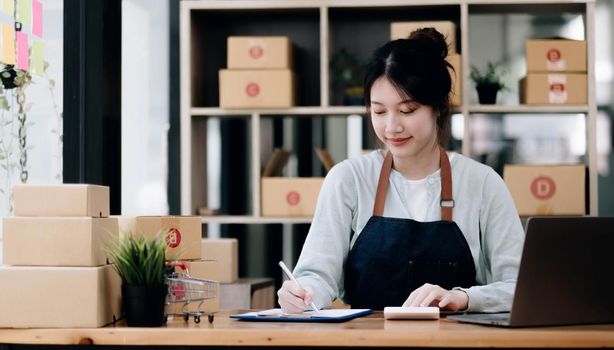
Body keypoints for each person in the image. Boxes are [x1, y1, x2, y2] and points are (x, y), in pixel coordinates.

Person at [277, 28, 525, 313]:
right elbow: (317, 275)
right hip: (365, 341)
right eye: (379, 112)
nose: (391, 127)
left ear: (438, 108)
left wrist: (464, 298)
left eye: (407, 111)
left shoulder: (482, 184)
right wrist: (302, 293)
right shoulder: (348, 179)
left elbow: (519, 286)